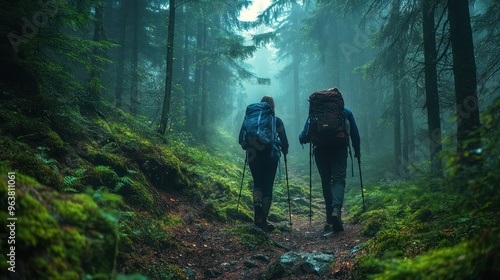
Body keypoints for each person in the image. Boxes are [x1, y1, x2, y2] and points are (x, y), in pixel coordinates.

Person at [299, 88, 360, 233]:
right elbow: (355, 134)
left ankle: (328, 217)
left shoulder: (315, 112)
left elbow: (304, 136)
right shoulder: (346, 112)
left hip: (321, 151)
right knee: (338, 180)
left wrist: (305, 139)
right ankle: (336, 211)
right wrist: (357, 150)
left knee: (326, 181)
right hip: (339, 149)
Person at [239, 95, 289, 232]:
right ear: (272, 106)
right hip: (271, 156)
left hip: (252, 155)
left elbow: (241, 138)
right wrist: (284, 149)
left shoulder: (251, 120)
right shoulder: (276, 121)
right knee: (268, 186)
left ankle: (257, 205)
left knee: (257, 183)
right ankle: (263, 222)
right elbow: (285, 142)